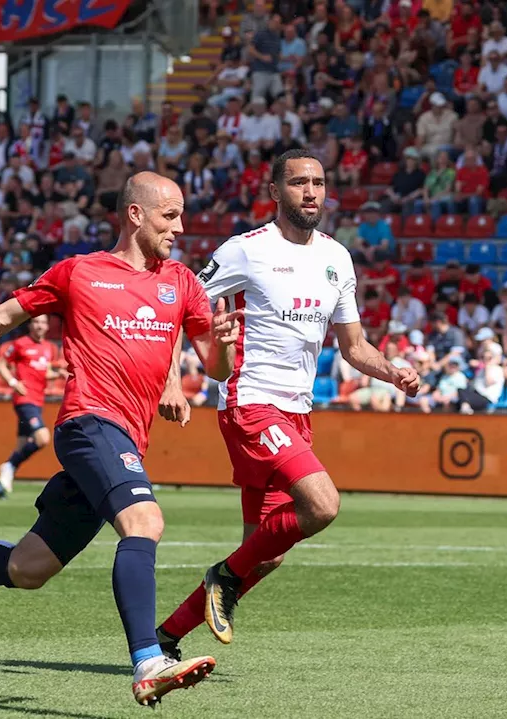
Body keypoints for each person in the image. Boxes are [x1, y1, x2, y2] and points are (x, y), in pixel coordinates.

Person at [0, 172, 243, 707]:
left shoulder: (182, 282)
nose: (180, 227)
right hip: (89, 423)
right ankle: (149, 661)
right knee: (145, 521)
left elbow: (214, 366)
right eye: (170, 215)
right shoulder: (79, 272)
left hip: (127, 438)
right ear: (135, 214)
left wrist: (223, 347)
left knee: (27, 569)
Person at [155, 150, 420, 657]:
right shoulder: (245, 251)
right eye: (299, 182)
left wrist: (393, 372)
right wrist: (173, 380)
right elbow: (179, 306)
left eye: (319, 182)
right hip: (250, 400)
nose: (311, 191)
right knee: (322, 504)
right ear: (275, 192)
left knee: (267, 553)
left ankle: (166, 638)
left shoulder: (336, 258)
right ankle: (222, 577)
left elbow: (354, 346)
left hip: (297, 412)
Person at [0, 314, 60, 498]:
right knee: (42, 438)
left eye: (43, 322)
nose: (39, 325)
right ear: (30, 325)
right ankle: (9, 466)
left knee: (21, 445)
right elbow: (1, 364)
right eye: (36, 322)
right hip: (24, 399)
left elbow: (44, 372)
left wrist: (58, 374)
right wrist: (14, 383)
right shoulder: (20, 343)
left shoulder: (49, 347)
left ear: (47, 326)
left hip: (38, 400)